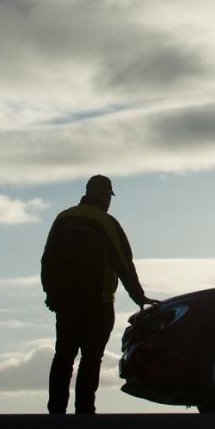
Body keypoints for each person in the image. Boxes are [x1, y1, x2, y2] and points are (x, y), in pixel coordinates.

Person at [41, 174, 158, 414]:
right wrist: (139, 296)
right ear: (105, 195)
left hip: (66, 303)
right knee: (91, 358)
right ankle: (85, 411)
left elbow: (48, 260)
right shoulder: (106, 223)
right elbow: (123, 264)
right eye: (109, 196)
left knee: (63, 356)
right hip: (98, 304)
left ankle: (55, 412)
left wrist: (51, 294)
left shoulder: (62, 218)